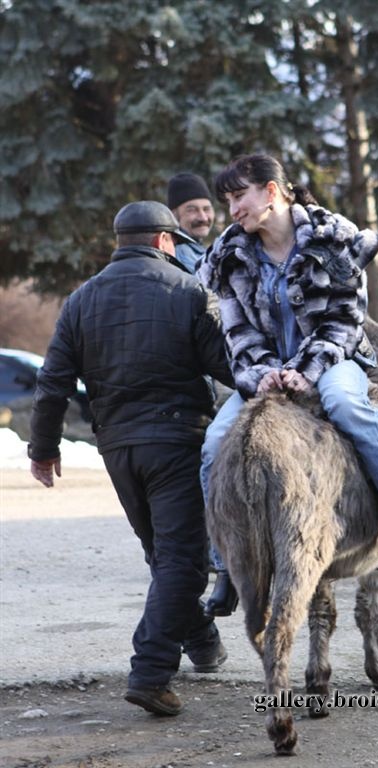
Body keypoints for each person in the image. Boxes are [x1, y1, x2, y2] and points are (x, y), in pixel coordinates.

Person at [198, 153, 378, 618]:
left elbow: (345, 320)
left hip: (334, 358)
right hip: (266, 372)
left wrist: (307, 369)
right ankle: (226, 565)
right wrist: (264, 370)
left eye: (239, 197)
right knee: (214, 441)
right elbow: (237, 332)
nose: (232, 210)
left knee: (347, 404)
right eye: (227, 200)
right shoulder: (229, 257)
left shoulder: (335, 239)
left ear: (272, 192)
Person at [28, 201, 235, 715]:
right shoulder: (189, 291)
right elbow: (228, 366)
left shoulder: (81, 299)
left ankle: (202, 642)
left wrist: (44, 449)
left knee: (164, 556)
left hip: (118, 449)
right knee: (182, 561)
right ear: (165, 240)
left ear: (119, 242)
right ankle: (150, 673)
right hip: (178, 442)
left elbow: (52, 384)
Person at [167, 172, 215, 274]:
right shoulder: (180, 252)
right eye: (192, 210)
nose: (203, 218)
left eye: (206, 209)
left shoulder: (197, 250)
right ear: (173, 215)